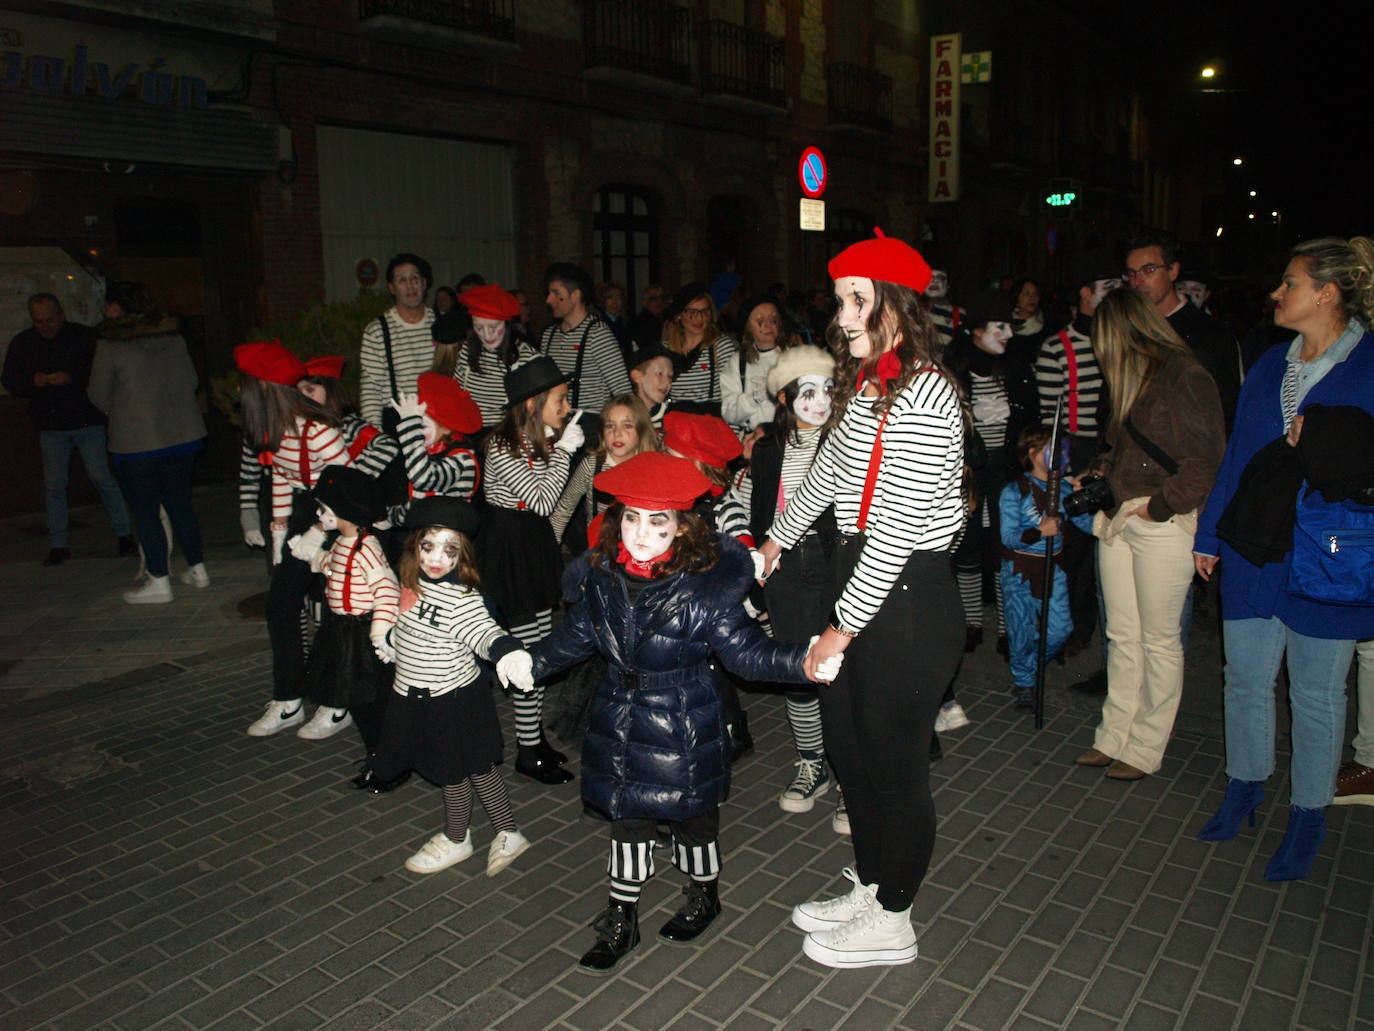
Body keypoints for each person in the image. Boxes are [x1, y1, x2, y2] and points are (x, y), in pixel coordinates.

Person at [530, 451, 841, 973]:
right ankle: (622, 917)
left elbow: (747, 654)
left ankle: (704, 893)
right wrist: (529, 662)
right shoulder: (604, 577)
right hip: (620, 712)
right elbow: (576, 637)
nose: (641, 533)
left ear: (681, 527)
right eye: (631, 518)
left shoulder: (703, 589)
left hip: (682, 715)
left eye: (657, 522)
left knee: (692, 817)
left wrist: (805, 660)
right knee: (627, 816)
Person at [759, 228, 966, 969]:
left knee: (893, 765)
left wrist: (839, 630)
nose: (841, 315)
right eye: (840, 298)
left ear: (896, 304)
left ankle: (896, 917)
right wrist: (777, 538)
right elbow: (827, 476)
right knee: (850, 751)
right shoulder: (869, 383)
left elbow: (897, 529)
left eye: (856, 299)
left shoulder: (928, 393)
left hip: (906, 596)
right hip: (861, 577)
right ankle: (874, 883)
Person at [1193, 236, 1374, 880]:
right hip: (1254, 547)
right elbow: (1237, 457)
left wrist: (1327, 445)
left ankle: (1307, 816)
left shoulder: (1370, 365)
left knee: (1317, 695)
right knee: (1243, 678)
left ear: (1325, 293)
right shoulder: (1270, 363)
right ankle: (1244, 790)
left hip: (1328, 554)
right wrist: (1209, 534)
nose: (1276, 292)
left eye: (1288, 282)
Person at [1075, 288, 1224, 781]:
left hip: (1162, 521)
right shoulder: (1131, 377)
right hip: (1121, 516)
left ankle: (1145, 747)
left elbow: (1207, 459)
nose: (1098, 348)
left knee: (1159, 642)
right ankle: (1114, 735)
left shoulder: (1186, 374)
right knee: (1122, 636)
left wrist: (1160, 508)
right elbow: (1120, 447)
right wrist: (1097, 473)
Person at [371, 497, 535, 877]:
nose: (436, 559)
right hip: (418, 697)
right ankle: (507, 833)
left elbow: (483, 630)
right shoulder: (412, 582)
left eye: (450, 550)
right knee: (471, 769)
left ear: (463, 555)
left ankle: (459, 837)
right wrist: (393, 640)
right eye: (428, 546)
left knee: (459, 771)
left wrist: (507, 652)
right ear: (414, 545)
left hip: (454, 702)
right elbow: (412, 624)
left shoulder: (462, 597)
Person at [747, 344, 844, 820]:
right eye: (807, 391)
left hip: (837, 568)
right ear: (785, 398)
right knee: (798, 669)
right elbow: (752, 506)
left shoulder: (848, 441)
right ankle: (812, 763)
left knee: (842, 670)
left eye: (828, 389)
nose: (820, 401)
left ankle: (849, 772)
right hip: (786, 571)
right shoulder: (767, 449)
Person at [236, 340, 352, 736]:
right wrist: (280, 538)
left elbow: (349, 488)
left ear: (264, 387)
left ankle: (339, 701)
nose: (240, 392)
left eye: (246, 383)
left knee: (337, 611)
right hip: (304, 515)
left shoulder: (317, 431)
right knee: (280, 605)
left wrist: (324, 537)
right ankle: (289, 698)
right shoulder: (274, 429)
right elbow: (283, 480)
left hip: (339, 517)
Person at [481, 355, 583, 784]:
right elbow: (543, 500)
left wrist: (554, 446)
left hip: (530, 545)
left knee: (537, 644)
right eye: (559, 399)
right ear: (531, 403)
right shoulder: (503, 447)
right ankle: (527, 750)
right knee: (527, 652)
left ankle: (532, 739)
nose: (566, 406)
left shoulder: (533, 439)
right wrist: (563, 450)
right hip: (511, 552)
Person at [88, 282, 209, 604]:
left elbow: (97, 394)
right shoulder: (173, 338)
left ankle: (159, 580)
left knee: (146, 511)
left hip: (137, 442)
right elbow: (193, 381)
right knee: (180, 503)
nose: (105, 311)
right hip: (183, 436)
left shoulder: (110, 345)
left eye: (108, 304)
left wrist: (126, 407)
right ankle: (198, 569)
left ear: (119, 307)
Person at [287, 466, 403, 792]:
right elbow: (324, 562)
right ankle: (378, 756)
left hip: (363, 635)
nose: (319, 514)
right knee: (358, 701)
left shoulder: (368, 548)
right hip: (340, 631)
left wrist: (380, 633)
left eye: (324, 509)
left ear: (346, 511)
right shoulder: (342, 543)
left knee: (373, 702)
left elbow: (386, 590)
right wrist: (313, 545)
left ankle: (388, 760)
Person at [2, 292, 134, 565]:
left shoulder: (82, 337)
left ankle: (124, 534)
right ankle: (59, 544)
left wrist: (71, 379)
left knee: (102, 477)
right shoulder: (24, 343)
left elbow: (100, 371)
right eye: (39, 321)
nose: (45, 326)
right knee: (54, 485)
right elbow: (10, 379)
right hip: (51, 425)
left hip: (86, 420)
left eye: (49, 320)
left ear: (61, 315)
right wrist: (32, 381)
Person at [944, 290, 1039, 654]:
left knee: (1004, 548)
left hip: (1006, 471)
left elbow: (1031, 421)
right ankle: (971, 622)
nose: (1009, 335)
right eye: (1000, 327)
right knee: (968, 549)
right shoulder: (952, 368)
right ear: (976, 330)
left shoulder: (1016, 367)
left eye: (1009, 326)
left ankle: (1005, 626)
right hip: (967, 474)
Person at [1035, 255, 1117, 662]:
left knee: (1106, 546)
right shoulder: (1057, 347)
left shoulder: (1122, 339)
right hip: (1075, 448)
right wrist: (1058, 468)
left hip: (1115, 450)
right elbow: (1049, 418)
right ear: (1086, 293)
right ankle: (1069, 629)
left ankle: (1092, 629)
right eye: (1107, 287)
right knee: (1073, 548)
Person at [999, 424, 1092, 710]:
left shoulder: (1063, 488)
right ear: (1034, 454)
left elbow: (1089, 525)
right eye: (1055, 449)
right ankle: (1025, 682)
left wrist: (1086, 497)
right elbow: (1008, 537)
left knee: (1060, 630)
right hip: (1019, 572)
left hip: (1054, 570)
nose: (1063, 454)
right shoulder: (1014, 492)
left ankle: (1029, 668)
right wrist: (1039, 531)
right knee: (1021, 631)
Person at [1124, 232, 1241, 430]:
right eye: (1132, 273)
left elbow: (1225, 409)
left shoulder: (1210, 333)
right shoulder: (1128, 329)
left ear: (1173, 271)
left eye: (1149, 270)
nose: (1138, 281)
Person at [550, 393, 659, 548]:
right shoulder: (593, 466)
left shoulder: (653, 467)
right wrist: (548, 549)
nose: (617, 433)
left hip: (641, 552)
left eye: (627, 425)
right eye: (610, 426)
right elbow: (563, 510)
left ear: (641, 431)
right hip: (599, 552)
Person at [384, 372, 482, 528]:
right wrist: (388, 517)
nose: (417, 433)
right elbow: (418, 504)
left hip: (446, 539)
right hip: (424, 534)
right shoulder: (430, 452)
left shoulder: (463, 458)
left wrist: (410, 427)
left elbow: (423, 478)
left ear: (445, 427)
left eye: (421, 426)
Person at [359, 253, 436, 429]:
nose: (410, 285)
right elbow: (371, 391)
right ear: (392, 288)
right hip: (398, 423)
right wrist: (375, 438)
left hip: (439, 421)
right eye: (402, 280)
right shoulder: (377, 331)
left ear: (424, 283)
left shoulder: (440, 324)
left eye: (414, 278)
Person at [542, 262, 630, 410]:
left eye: (556, 293)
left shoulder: (597, 334)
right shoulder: (549, 335)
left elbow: (623, 391)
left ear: (575, 295)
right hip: (557, 428)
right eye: (549, 293)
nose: (549, 300)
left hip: (588, 428)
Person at [453, 284, 539, 425]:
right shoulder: (466, 351)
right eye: (479, 327)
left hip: (507, 438)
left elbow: (535, 412)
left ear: (506, 324)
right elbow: (456, 397)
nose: (486, 335)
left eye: (493, 327)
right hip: (471, 435)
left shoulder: (526, 357)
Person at [720, 295, 790, 432]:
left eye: (773, 319)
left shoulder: (794, 357)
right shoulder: (738, 362)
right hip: (754, 442)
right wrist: (755, 398)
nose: (768, 325)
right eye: (760, 320)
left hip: (788, 438)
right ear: (748, 327)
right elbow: (728, 413)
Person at [663, 283, 733, 407]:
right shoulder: (666, 348)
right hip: (675, 421)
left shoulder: (721, 347)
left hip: (709, 420)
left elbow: (732, 397)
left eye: (704, 312)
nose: (699, 318)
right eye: (692, 312)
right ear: (679, 315)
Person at [627, 342, 677, 431]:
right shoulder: (623, 414)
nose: (667, 382)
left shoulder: (672, 416)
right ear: (637, 376)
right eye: (659, 374)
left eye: (670, 376)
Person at [1008, 277, 1053, 365]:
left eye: (1036, 294)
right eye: (1026, 294)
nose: (1032, 298)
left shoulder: (1049, 325)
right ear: (1016, 297)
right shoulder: (1006, 325)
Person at [629, 283, 667, 350]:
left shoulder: (664, 318)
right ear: (645, 302)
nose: (659, 301)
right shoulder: (641, 322)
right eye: (653, 298)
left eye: (661, 297)